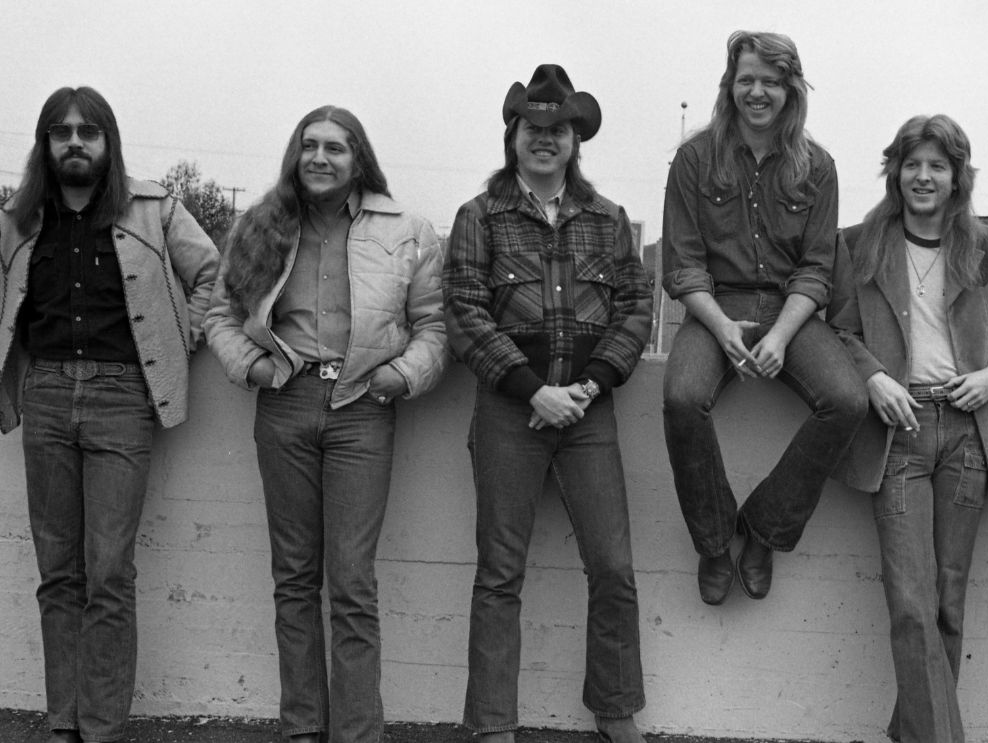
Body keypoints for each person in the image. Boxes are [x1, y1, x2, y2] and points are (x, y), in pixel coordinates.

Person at [203, 106, 447, 742]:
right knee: (294, 578)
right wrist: (252, 370)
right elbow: (220, 315)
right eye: (308, 146)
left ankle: (359, 733)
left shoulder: (406, 228)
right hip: (284, 403)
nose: (319, 158)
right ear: (295, 154)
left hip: (363, 410)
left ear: (357, 158)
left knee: (352, 582)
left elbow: (435, 326)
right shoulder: (259, 225)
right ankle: (302, 728)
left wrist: (401, 376)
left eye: (335, 148)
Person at [0, 86, 219, 743]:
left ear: (107, 141)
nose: (74, 141)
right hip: (42, 396)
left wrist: (179, 337)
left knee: (108, 572)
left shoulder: (154, 209)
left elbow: (212, 275)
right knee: (58, 572)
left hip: (123, 395)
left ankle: (100, 725)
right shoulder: (17, 220)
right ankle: (61, 720)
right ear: (45, 144)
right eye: (60, 131)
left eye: (87, 131)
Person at [443, 64, 652, 743]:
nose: (544, 138)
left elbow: (636, 308)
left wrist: (587, 386)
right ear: (513, 134)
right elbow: (466, 312)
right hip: (510, 410)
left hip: (588, 412)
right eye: (532, 126)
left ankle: (613, 706)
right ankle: (491, 722)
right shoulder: (479, 217)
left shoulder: (609, 221)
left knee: (613, 567)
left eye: (557, 128)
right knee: (500, 572)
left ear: (574, 139)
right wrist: (533, 389)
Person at [828, 115, 988, 743]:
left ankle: (911, 733)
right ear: (895, 170)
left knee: (946, 602)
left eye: (938, 165)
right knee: (911, 603)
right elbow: (838, 330)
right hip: (900, 432)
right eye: (913, 164)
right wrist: (873, 376)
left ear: (958, 176)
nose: (924, 176)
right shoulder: (859, 244)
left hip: (968, 434)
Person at [661, 30, 866, 605]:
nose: (758, 92)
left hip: (789, 310)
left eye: (771, 82)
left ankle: (764, 529)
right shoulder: (695, 159)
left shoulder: (817, 166)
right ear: (730, 86)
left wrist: (779, 334)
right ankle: (713, 537)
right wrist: (721, 326)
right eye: (747, 79)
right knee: (681, 398)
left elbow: (817, 270)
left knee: (847, 401)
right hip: (714, 305)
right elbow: (682, 263)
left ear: (790, 90)